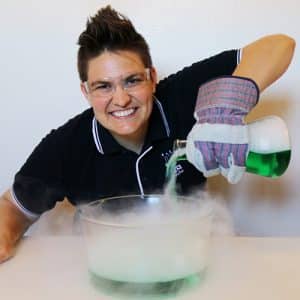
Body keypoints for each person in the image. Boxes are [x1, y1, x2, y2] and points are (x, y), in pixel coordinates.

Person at [0, 5, 295, 263]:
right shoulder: (67, 146)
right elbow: (13, 207)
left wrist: (224, 106)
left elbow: (279, 45)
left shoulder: (180, 96)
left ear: (152, 78)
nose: (121, 99)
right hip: (108, 265)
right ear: (86, 92)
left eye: (132, 81)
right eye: (104, 86)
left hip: (192, 257)